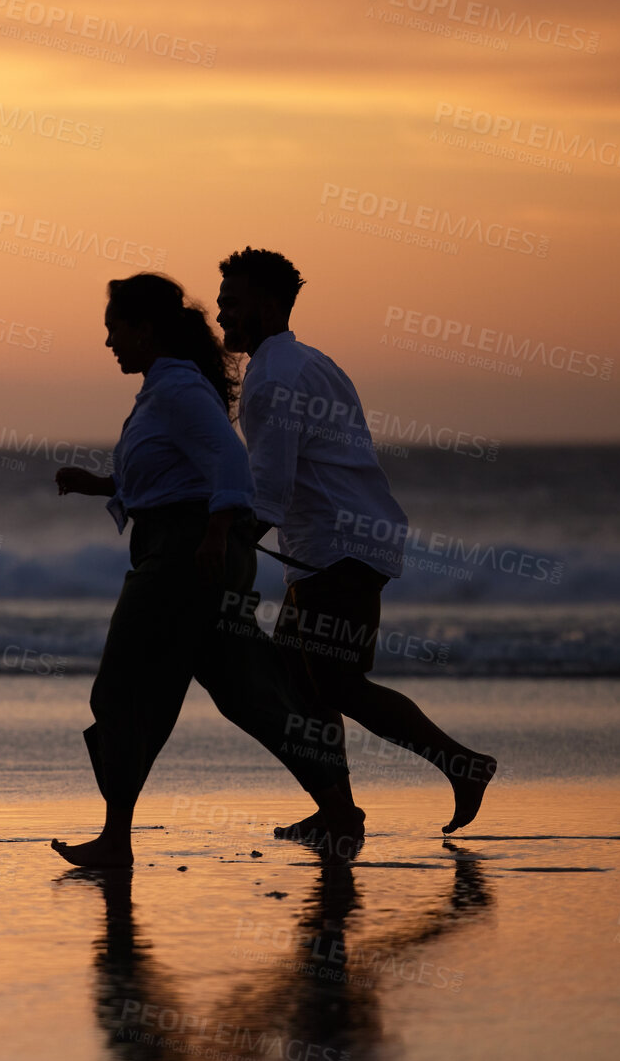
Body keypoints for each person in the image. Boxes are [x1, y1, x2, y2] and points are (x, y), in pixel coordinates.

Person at [51, 273, 357, 869]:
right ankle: (339, 807)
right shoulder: (168, 388)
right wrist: (103, 486)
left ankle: (117, 839)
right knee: (249, 694)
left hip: (183, 560)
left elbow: (231, 467)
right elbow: (179, 473)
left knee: (123, 690)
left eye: (115, 330)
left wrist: (216, 535)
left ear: (145, 330)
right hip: (190, 553)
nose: (109, 343)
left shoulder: (177, 390)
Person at [216, 247, 497, 836]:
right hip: (334, 547)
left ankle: (463, 765)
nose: (222, 317)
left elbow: (268, 491)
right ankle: (337, 812)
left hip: (337, 551)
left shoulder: (271, 378)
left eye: (233, 305)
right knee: (301, 680)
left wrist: (223, 544)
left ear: (268, 307)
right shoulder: (311, 362)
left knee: (337, 683)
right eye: (221, 305)